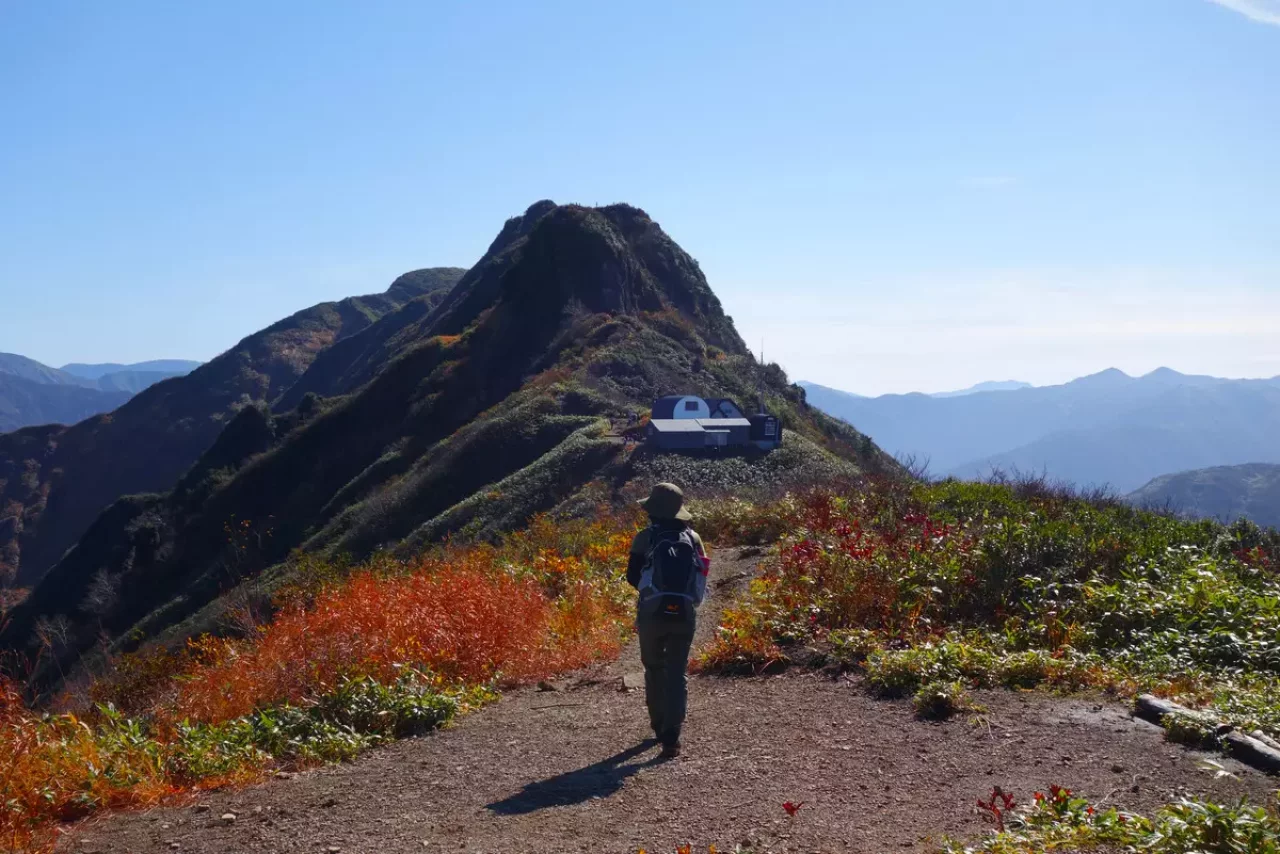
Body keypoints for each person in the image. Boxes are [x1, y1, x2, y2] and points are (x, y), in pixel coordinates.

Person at [626, 482, 710, 759]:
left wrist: (652, 593)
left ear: (653, 510)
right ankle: (672, 737)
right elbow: (701, 574)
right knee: (677, 670)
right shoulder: (694, 538)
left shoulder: (644, 538)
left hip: (652, 612)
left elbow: (632, 578)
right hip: (684, 612)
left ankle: (659, 726)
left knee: (653, 667)